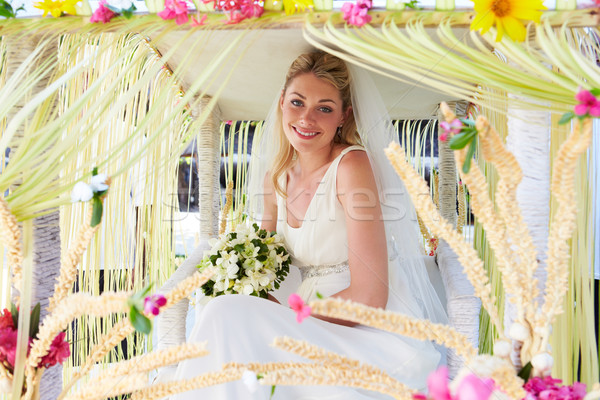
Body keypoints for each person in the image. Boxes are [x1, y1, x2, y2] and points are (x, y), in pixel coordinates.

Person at [172, 51, 447, 399]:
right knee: (222, 313)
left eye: (325, 108)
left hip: (362, 325)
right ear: (281, 104)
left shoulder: (352, 166)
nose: (307, 118)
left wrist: (285, 314)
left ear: (343, 116)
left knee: (224, 315)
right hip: (300, 314)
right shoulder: (276, 178)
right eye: (297, 102)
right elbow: (266, 268)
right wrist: (246, 287)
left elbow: (370, 296)